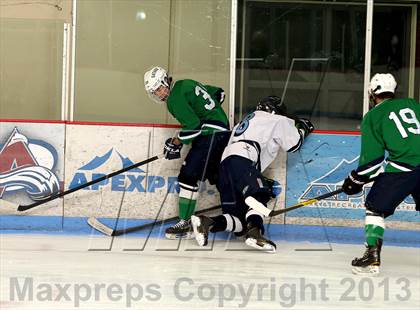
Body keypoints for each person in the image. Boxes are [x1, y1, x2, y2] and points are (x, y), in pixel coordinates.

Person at [190, 96, 314, 253]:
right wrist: (303, 127)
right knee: (261, 194)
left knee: (239, 222)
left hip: (225, 166)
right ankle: (255, 233)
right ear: (277, 111)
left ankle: (206, 221)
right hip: (241, 160)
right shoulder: (277, 119)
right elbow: (294, 144)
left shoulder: (247, 119)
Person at [342, 73, 420, 275]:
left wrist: (354, 180)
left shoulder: (373, 117)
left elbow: (372, 162)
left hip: (403, 168)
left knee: (375, 209)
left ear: (372, 94)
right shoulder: (413, 104)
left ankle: (372, 257)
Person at [143, 66, 230, 239]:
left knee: (188, 176)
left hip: (211, 136)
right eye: (155, 92)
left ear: (165, 81)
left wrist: (176, 142)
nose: (159, 94)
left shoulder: (174, 99)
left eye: (159, 88)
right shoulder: (186, 84)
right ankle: (238, 214)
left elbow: (193, 127)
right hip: (222, 133)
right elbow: (220, 94)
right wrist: (209, 113)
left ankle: (185, 223)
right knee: (219, 177)